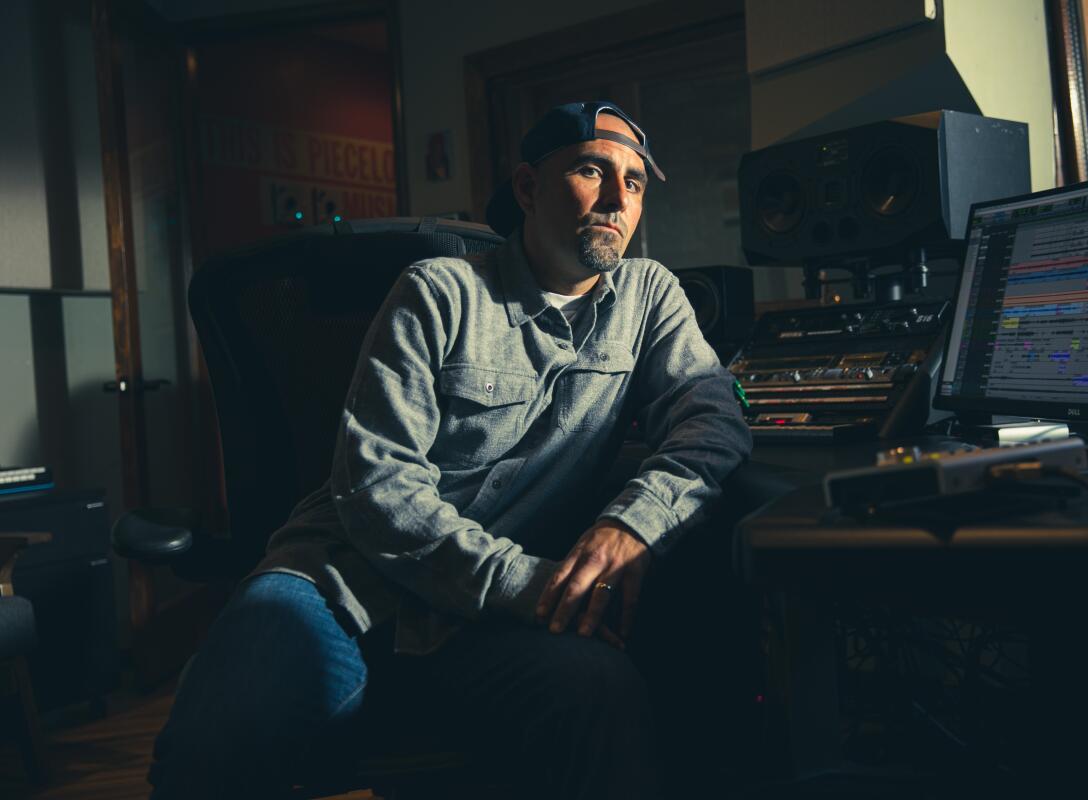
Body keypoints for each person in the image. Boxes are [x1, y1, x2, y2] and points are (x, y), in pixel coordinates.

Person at [148, 101, 754, 799]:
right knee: (212, 743)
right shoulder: (440, 291)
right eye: (593, 170)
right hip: (342, 584)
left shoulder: (650, 297)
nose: (620, 199)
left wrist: (635, 522)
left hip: (488, 623)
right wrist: (525, 583)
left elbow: (714, 416)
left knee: (603, 694)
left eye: (636, 182)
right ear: (527, 189)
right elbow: (380, 490)